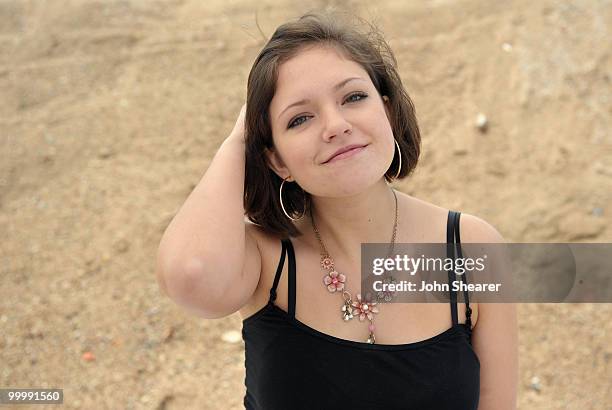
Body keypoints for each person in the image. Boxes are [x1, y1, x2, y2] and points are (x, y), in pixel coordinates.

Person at [156, 9, 518, 410]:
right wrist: (238, 141)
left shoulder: (470, 248)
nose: (335, 125)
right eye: (300, 119)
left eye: (354, 97)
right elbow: (191, 276)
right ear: (277, 160)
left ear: (389, 113)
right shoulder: (264, 258)